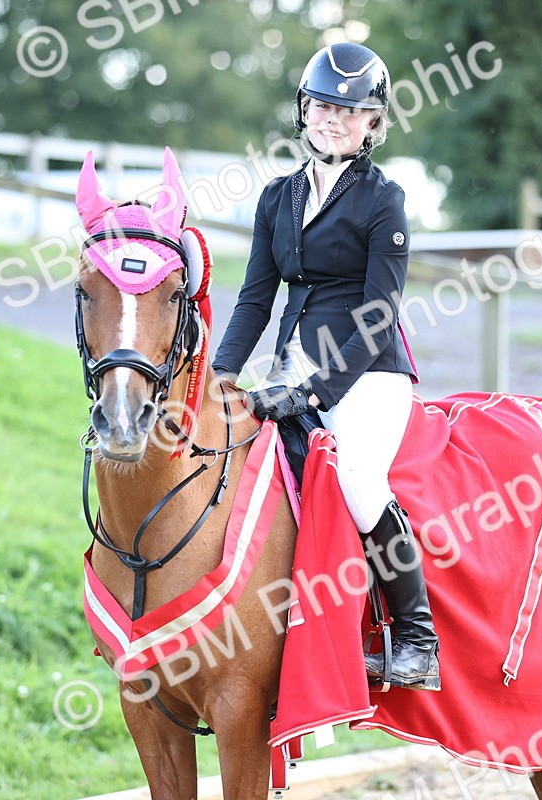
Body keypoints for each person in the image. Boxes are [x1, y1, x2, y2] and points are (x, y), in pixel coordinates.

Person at [211, 42, 440, 691]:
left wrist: (315, 391)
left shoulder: (383, 200)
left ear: (372, 124)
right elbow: (256, 297)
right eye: (323, 106)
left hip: (368, 376)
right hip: (291, 371)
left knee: (361, 481)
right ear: (303, 111)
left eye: (352, 111)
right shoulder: (275, 199)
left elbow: (378, 313)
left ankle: (417, 639)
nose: (334, 118)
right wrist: (222, 380)